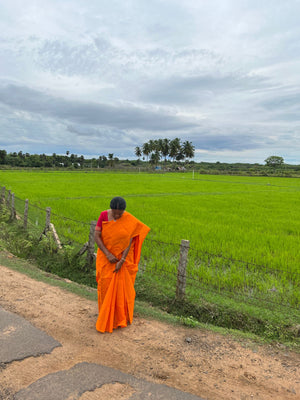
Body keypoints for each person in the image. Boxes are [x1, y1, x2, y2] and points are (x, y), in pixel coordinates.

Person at [94, 196, 150, 333]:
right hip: (106, 257)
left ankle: (121, 318)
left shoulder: (128, 219)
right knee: (105, 285)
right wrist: (108, 254)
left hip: (122, 260)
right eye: (115, 213)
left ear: (124, 211)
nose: (117, 216)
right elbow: (96, 236)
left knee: (124, 289)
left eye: (120, 213)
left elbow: (130, 239)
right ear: (111, 209)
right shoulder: (103, 215)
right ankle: (106, 317)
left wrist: (122, 260)